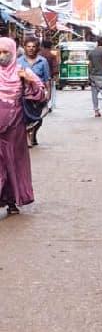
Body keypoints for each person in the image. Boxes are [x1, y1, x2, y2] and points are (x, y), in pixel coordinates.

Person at [0, 37, 43, 215]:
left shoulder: (21, 71)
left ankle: (12, 201)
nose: (2, 56)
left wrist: (30, 80)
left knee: (14, 164)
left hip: (15, 129)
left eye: (5, 52)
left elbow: (41, 93)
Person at [17, 37, 51, 147]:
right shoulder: (19, 61)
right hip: (23, 94)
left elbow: (46, 79)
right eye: (28, 47)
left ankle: (33, 133)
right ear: (25, 48)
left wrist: (48, 93)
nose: (31, 49)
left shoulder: (43, 61)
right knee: (24, 117)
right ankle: (27, 137)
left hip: (38, 95)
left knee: (38, 118)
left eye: (33, 47)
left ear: (37, 48)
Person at [40, 40, 59, 110]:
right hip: (48, 76)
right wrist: (56, 76)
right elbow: (54, 66)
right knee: (48, 90)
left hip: (39, 76)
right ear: (50, 46)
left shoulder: (38, 55)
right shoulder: (52, 55)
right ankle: (47, 104)